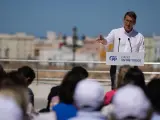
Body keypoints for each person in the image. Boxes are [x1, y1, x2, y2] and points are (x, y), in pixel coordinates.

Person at [97, 11, 145, 90]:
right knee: (115, 90)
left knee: (131, 90)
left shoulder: (139, 36)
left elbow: (142, 53)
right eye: (127, 20)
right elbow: (107, 41)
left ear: (134, 22)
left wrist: (137, 59)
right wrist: (103, 41)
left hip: (132, 69)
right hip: (116, 67)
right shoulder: (115, 32)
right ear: (123, 20)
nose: (128, 24)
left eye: (131, 21)